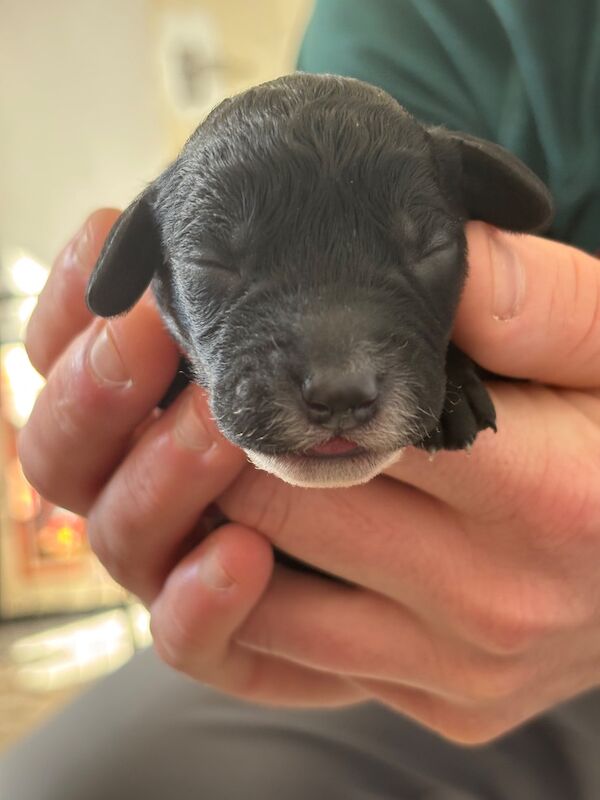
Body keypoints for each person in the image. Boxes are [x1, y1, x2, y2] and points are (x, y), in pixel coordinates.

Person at [2, 0, 600, 797]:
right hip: (416, 617)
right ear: (143, 259)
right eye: (220, 268)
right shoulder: (421, 23)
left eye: (419, 252)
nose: (342, 380)